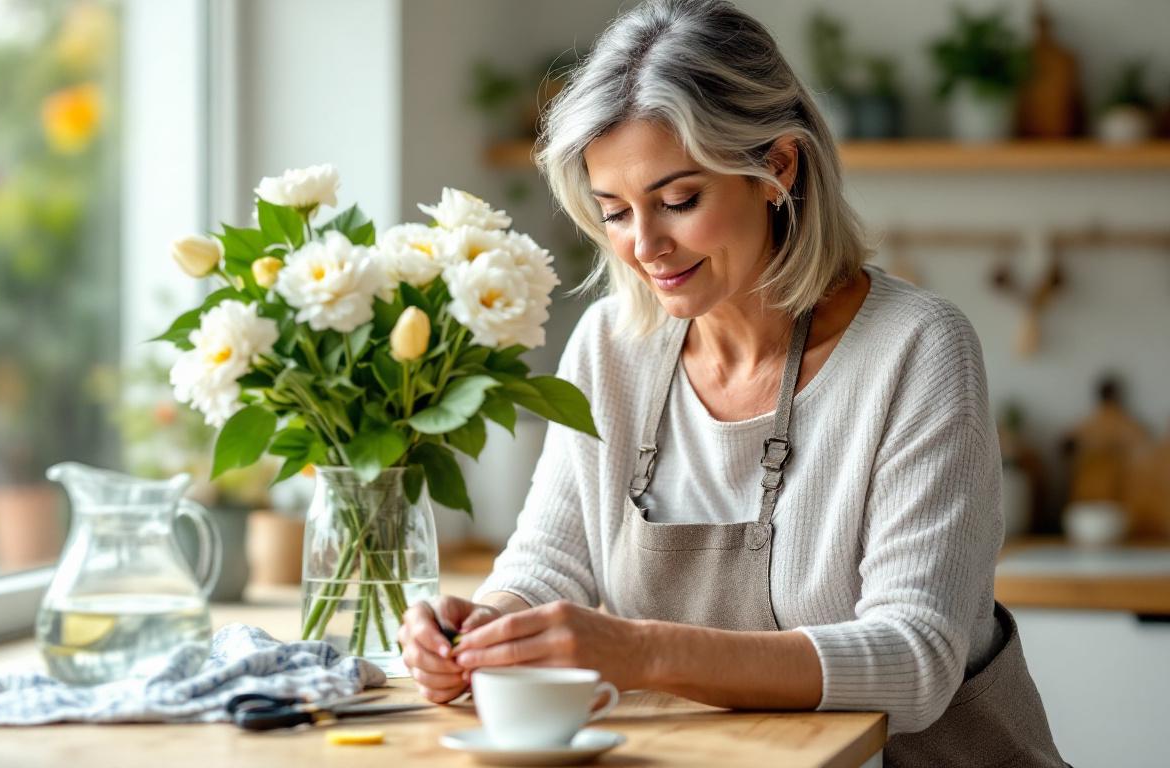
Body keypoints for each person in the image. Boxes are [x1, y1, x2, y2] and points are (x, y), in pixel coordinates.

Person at [398, 1, 1066, 765]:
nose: (644, 246)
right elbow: (550, 565)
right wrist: (480, 628)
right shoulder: (612, 346)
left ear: (777, 166)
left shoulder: (915, 349)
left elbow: (917, 661)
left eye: (679, 201)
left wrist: (642, 651)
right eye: (614, 212)